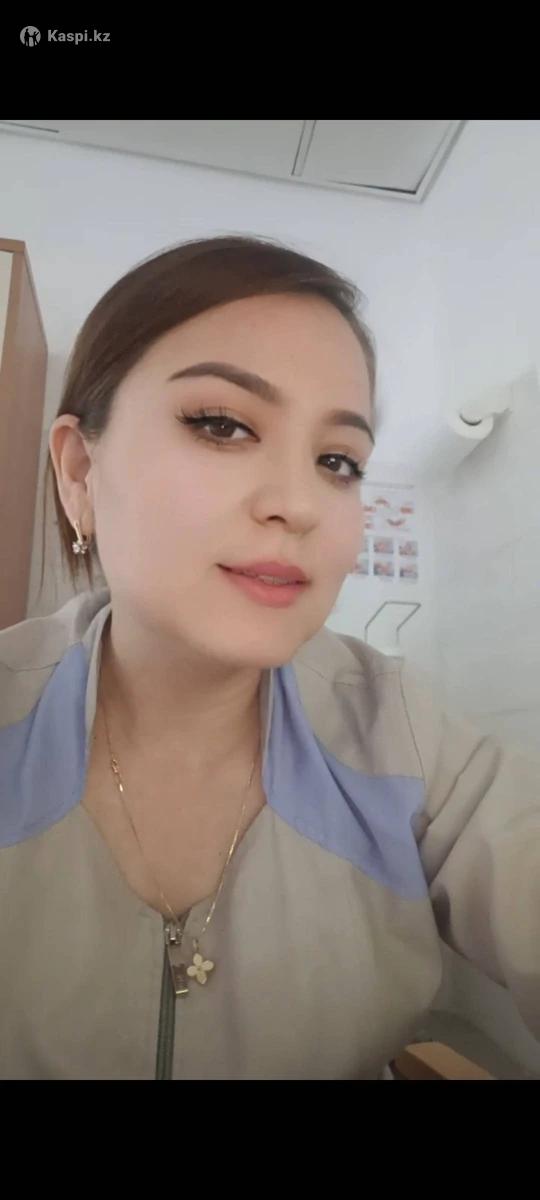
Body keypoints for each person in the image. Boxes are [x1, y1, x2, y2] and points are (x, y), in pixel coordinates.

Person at [0, 234, 538, 1080]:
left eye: (337, 461)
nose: (299, 503)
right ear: (78, 472)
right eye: (222, 425)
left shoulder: (399, 732)